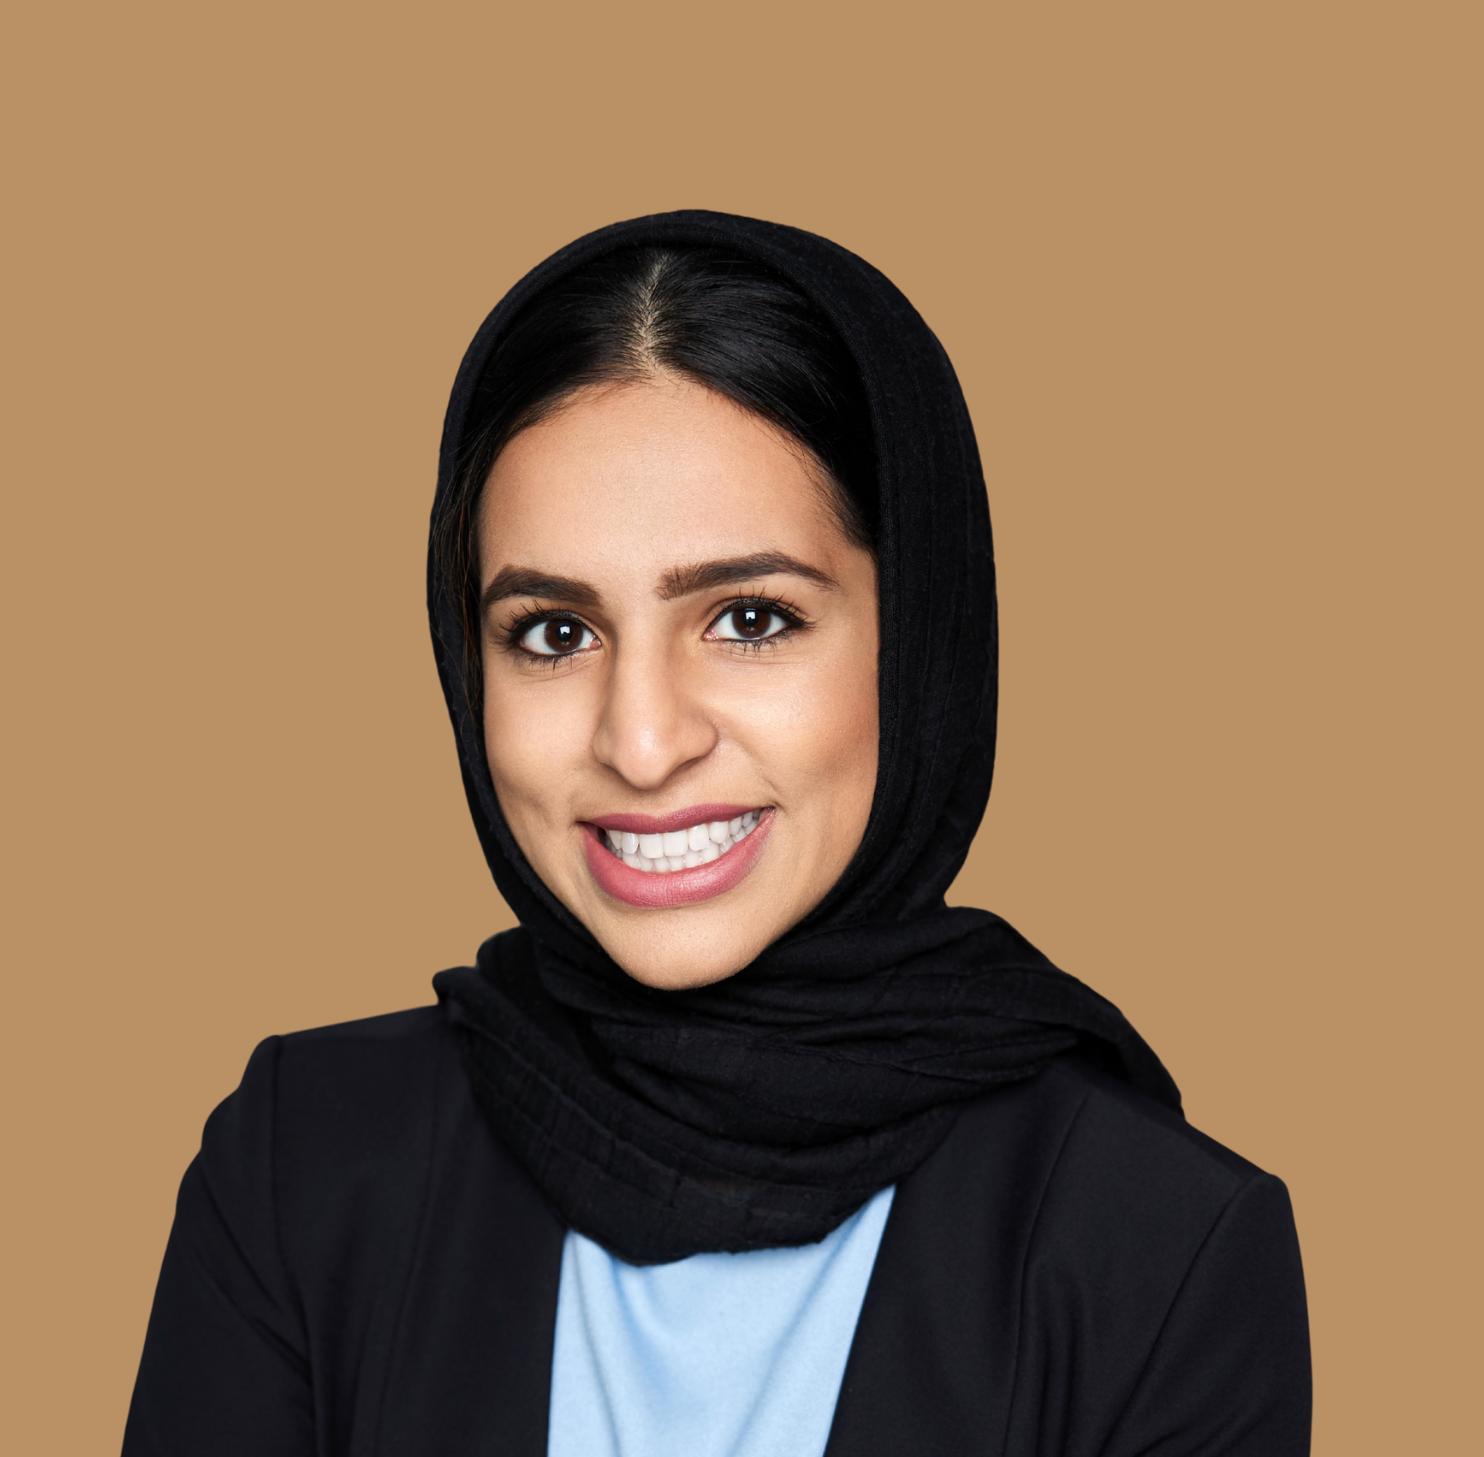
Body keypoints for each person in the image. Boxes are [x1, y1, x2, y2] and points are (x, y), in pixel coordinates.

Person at [123, 211, 1312, 1456]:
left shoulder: (1150, 1244)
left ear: (919, 641)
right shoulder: (306, 1166)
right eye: (553, 632)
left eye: (748, 618)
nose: (640, 744)